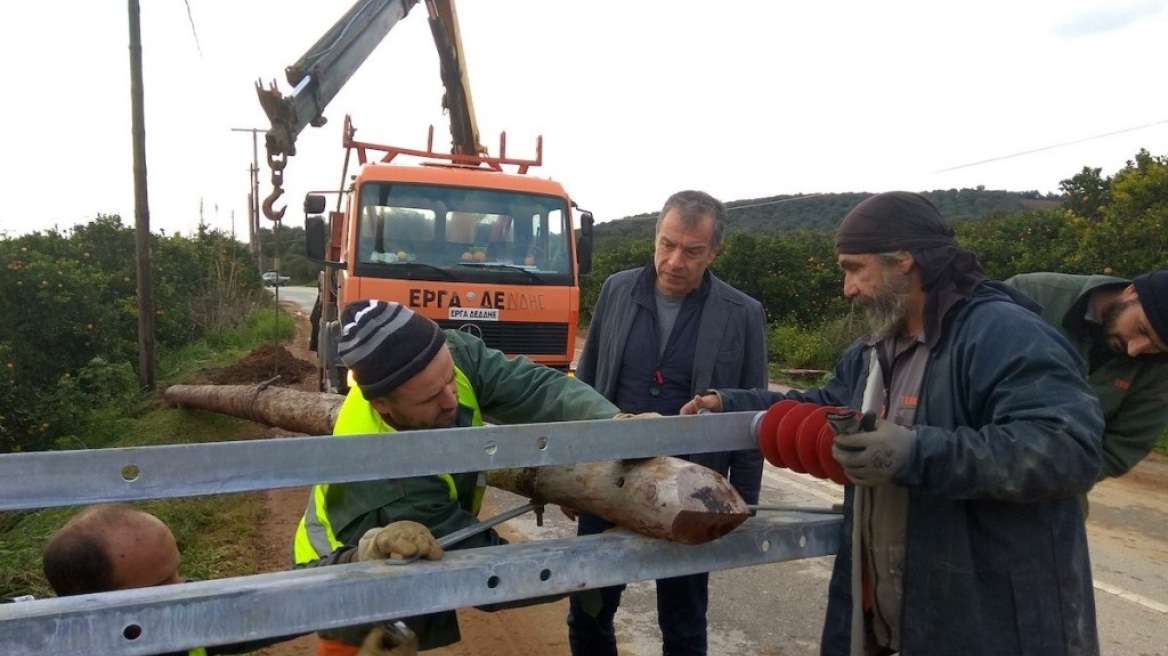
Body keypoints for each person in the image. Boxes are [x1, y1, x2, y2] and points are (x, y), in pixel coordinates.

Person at [681, 191, 1105, 655]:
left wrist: (915, 452)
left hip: (987, 623)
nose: (848, 288)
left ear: (904, 261)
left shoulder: (1004, 334)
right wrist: (732, 402)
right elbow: (826, 402)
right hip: (890, 611)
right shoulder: (880, 346)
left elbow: (1067, 448)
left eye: (854, 268)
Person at [293, 299, 622, 655]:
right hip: (348, 589)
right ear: (383, 406)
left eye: (450, 380)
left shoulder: (444, 355)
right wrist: (604, 558)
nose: (451, 399)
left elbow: (531, 386)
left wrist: (613, 424)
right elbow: (489, 572)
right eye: (431, 398)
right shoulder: (389, 481)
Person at [565, 189, 768, 656]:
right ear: (655, 237)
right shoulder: (617, 290)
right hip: (610, 479)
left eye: (692, 251)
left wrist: (745, 504)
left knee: (683, 620)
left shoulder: (743, 314)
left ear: (714, 251)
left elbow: (752, 416)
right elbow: (586, 386)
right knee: (590, 608)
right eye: (666, 244)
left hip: (694, 489)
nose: (675, 261)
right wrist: (573, 475)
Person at [41, 504, 324, 656]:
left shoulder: (181, 611)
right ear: (95, 609)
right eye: (162, 585)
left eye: (176, 573)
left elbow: (268, 606)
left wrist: (352, 562)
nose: (184, 590)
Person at [1003, 270, 1168, 480]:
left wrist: (1050, 477)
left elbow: (1121, 448)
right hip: (964, 470)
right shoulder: (1030, 293)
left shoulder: (1159, 366)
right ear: (1131, 291)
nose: (1135, 350)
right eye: (1142, 329)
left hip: (1050, 498)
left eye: (1157, 346)